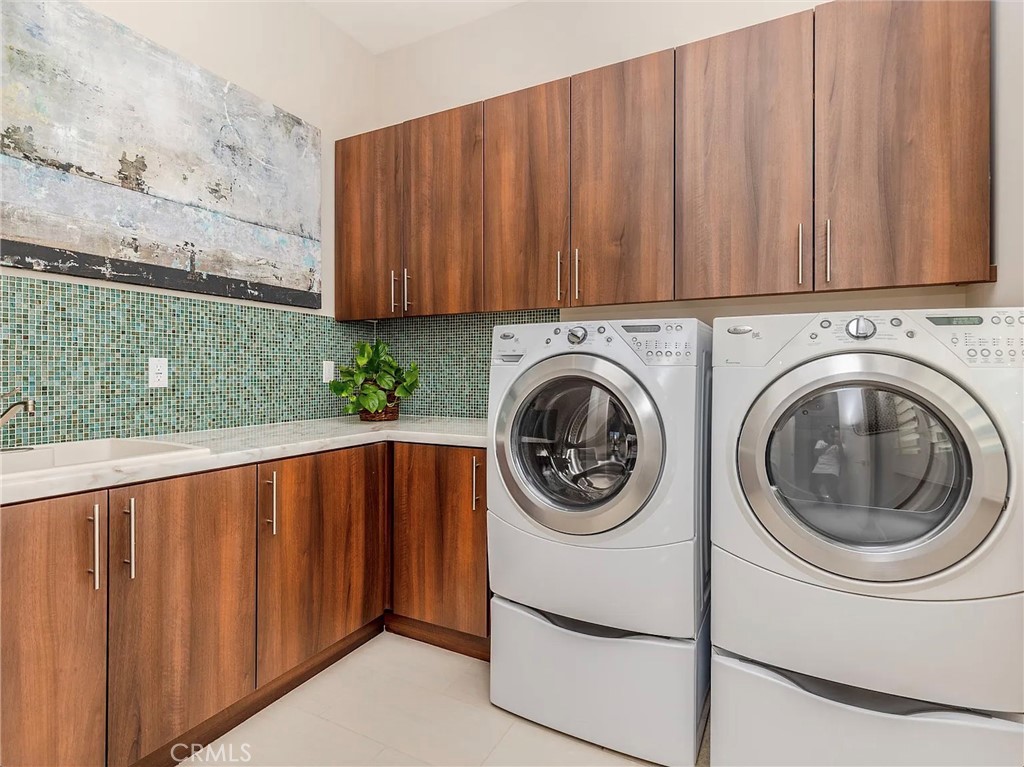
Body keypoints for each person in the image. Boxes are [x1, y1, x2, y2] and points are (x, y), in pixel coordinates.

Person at [811, 425, 843, 504]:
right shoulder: (821, 442)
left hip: (832, 469)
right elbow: (816, 453)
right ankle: (821, 500)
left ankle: (839, 506)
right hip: (818, 468)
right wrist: (828, 445)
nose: (832, 437)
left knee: (831, 491)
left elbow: (842, 458)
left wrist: (839, 446)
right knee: (812, 487)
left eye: (834, 436)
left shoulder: (840, 445)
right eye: (831, 435)